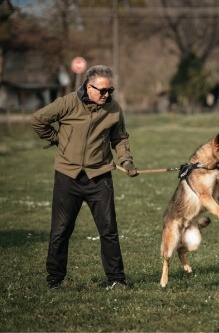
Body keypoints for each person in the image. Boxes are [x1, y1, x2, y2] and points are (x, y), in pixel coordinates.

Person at [30, 65, 138, 290]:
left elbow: (119, 138)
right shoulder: (67, 102)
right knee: (61, 230)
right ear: (88, 87)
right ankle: (55, 280)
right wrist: (58, 140)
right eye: (102, 90)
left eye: (110, 90)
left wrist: (126, 160)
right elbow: (38, 120)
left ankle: (116, 280)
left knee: (108, 230)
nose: (106, 95)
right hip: (67, 176)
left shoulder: (114, 109)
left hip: (99, 178)